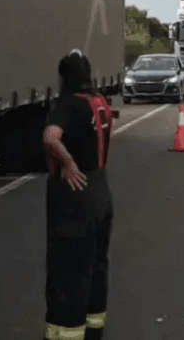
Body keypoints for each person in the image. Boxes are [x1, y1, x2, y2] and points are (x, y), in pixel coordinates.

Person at [42, 49, 117, 340]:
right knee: (97, 264)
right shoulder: (100, 104)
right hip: (101, 188)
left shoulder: (69, 106)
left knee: (68, 269)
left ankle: (65, 333)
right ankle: (93, 329)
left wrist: (69, 163)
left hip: (75, 195)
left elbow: (50, 136)